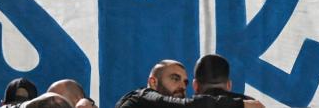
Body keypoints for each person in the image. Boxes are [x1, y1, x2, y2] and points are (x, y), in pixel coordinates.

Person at [113, 59, 263, 108]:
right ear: (153, 82)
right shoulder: (141, 96)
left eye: (185, 82)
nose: (182, 87)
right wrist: (241, 104)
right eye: (175, 78)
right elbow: (187, 105)